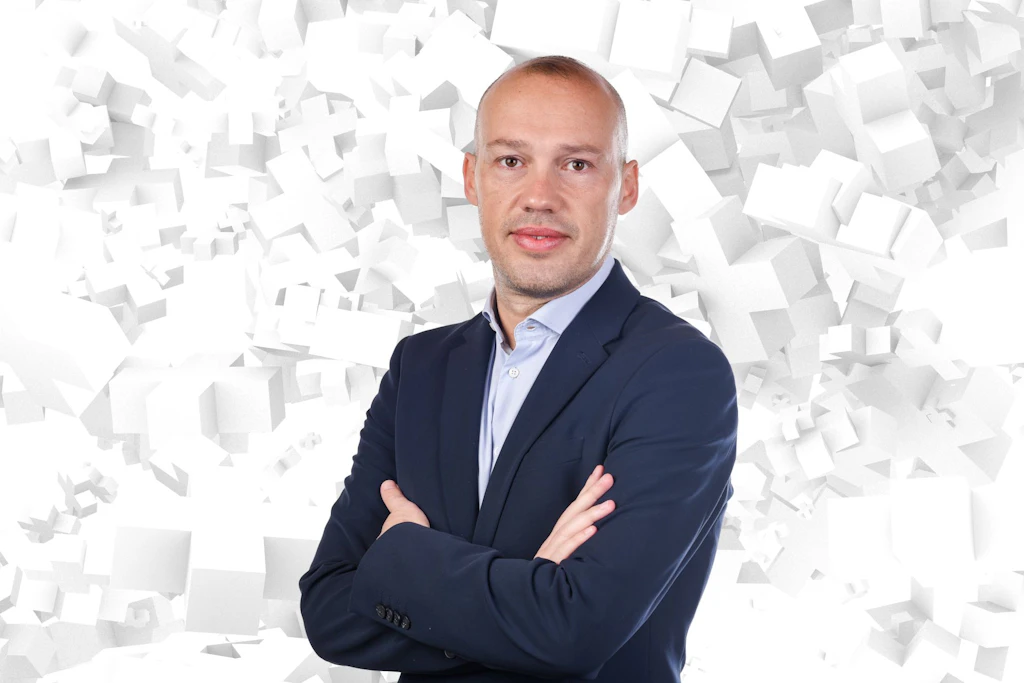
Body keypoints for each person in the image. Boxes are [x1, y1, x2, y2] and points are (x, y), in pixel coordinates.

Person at [299, 55, 738, 682]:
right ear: (473, 177)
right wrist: (530, 586)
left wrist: (403, 560)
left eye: (577, 164)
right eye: (511, 161)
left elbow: (575, 631)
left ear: (627, 186)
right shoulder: (419, 368)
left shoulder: (679, 374)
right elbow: (328, 613)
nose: (539, 196)